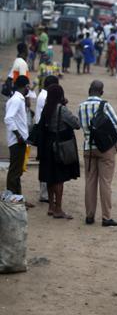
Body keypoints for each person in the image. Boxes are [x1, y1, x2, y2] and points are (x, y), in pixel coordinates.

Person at [78, 80, 117, 226]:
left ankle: (89, 215)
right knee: (105, 182)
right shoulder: (105, 106)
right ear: (102, 92)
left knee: (90, 182)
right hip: (106, 149)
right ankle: (106, 217)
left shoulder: (81, 107)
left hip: (88, 148)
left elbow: (82, 126)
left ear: (89, 90)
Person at [38, 84, 81, 218]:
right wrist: (65, 106)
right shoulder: (62, 110)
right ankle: (58, 209)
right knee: (59, 179)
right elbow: (76, 124)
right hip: (58, 147)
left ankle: (51, 206)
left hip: (47, 146)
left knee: (50, 177)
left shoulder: (46, 108)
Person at [3, 75, 33, 207]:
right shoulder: (16, 100)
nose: (28, 89)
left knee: (17, 171)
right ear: (25, 86)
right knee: (14, 172)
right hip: (17, 142)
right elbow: (8, 119)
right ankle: (12, 201)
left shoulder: (18, 99)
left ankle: (19, 199)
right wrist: (19, 136)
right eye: (28, 87)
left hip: (19, 141)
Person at [34, 75, 60, 203]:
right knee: (46, 163)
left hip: (42, 132)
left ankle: (45, 192)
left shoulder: (42, 95)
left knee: (45, 163)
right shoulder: (45, 97)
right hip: (45, 133)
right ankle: (45, 193)